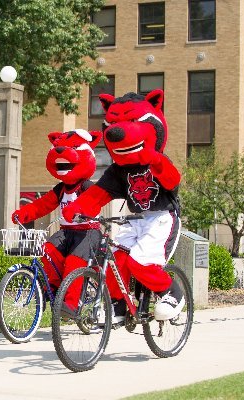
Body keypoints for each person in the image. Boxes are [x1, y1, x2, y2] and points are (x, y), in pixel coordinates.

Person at [63, 90, 184, 323]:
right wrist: (77, 209)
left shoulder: (158, 160)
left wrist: (156, 161)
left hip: (162, 218)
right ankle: (118, 305)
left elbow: (172, 181)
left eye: (130, 121)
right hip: (134, 218)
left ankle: (171, 293)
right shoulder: (118, 171)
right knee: (115, 259)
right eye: (115, 123)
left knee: (141, 262)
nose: (118, 131)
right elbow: (98, 194)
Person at [12, 129, 102, 308]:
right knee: (47, 250)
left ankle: (71, 304)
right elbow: (42, 204)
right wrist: (23, 214)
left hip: (88, 233)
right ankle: (53, 287)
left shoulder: (86, 186)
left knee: (74, 263)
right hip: (66, 232)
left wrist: (78, 210)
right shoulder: (61, 189)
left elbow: (95, 202)